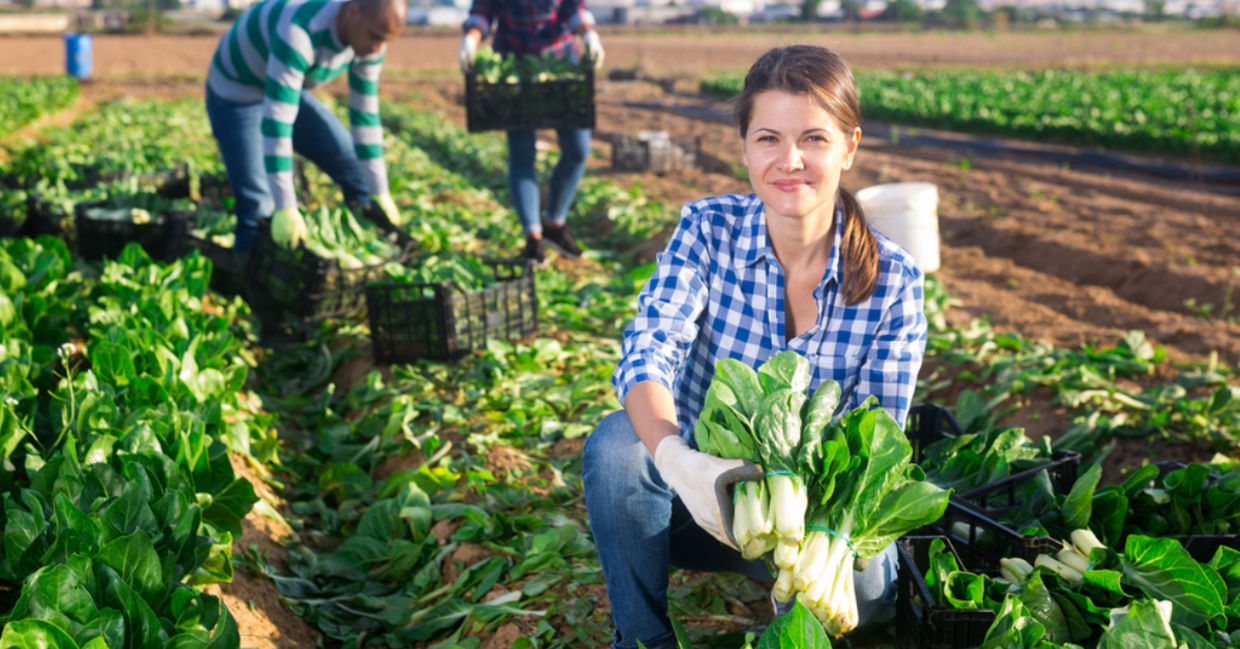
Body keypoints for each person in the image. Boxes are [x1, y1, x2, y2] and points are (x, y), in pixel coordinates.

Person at [581, 45, 928, 649]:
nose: (789, 160)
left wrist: (805, 546)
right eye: (768, 138)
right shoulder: (706, 230)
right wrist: (678, 462)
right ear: (744, 148)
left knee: (869, 601)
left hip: (815, 519)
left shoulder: (894, 280)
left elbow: (876, 438)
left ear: (850, 147)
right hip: (704, 502)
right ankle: (641, 640)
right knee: (617, 449)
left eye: (814, 139)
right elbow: (648, 350)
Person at [205, 0, 408, 267]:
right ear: (353, 12)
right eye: (375, 37)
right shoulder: (300, 30)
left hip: (283, 86)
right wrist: (286, 206)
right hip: (236, 93)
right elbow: (277, 124)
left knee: (352, 168)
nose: (378, 48)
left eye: (386, 41)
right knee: (257, 205)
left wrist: (379, 191)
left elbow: (365, 116)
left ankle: (360, 257)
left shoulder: (369, 44)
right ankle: (253, 288)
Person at [457, 1, 604, 264]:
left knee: (578, 150)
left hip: (560, 62)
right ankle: (533, 237)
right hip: (513, 66)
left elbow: (573, 7)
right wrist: (471, 37)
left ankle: (554, 226)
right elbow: (483, 11)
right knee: (522, 153)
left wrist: (588, 33)